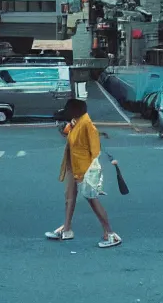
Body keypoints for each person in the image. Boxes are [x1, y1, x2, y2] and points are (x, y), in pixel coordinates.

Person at [45, 98, 122, 248]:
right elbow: (69, 134)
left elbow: (95, 151)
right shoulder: (76, 121)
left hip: (85, 169)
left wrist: (91, 173)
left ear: (76, 111)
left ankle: (111, 234)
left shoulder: (87, 125)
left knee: (92, 200)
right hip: (73, 166)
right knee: (69, 197)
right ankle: (66, 230)